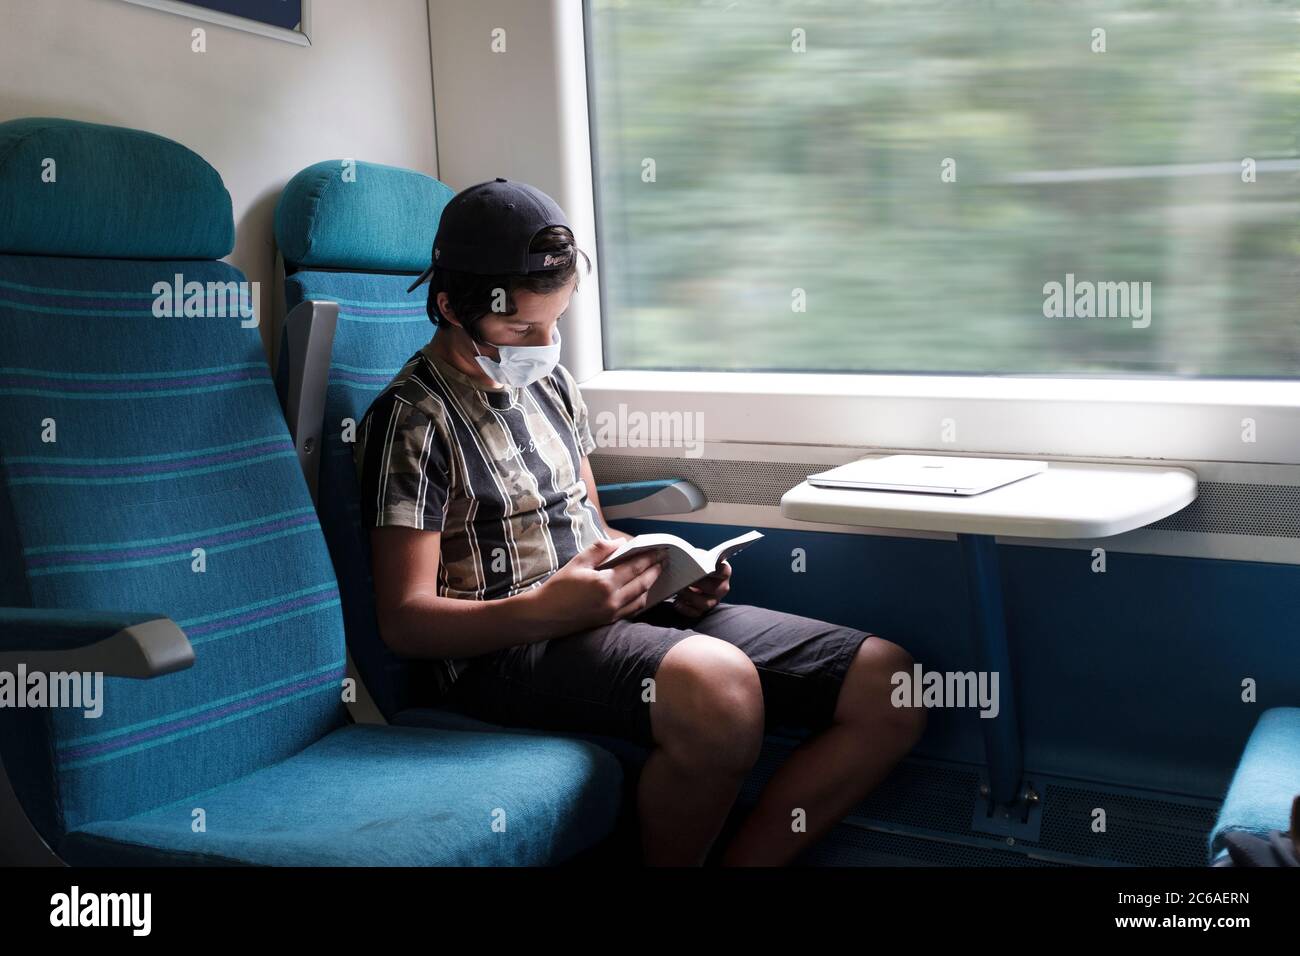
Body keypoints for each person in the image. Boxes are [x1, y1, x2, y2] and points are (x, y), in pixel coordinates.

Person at [355, 177, 925, 866]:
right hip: (497, 652)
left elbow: (595, 530)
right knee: (719, 686)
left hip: (597, 613)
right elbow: (405, 621)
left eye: (555, 322)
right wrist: (541, 611)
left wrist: (668, 574)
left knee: (889, 683)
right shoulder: (411, 420)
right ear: (449, 307)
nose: (544, 344)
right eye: (520, 329)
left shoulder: (551, 385)